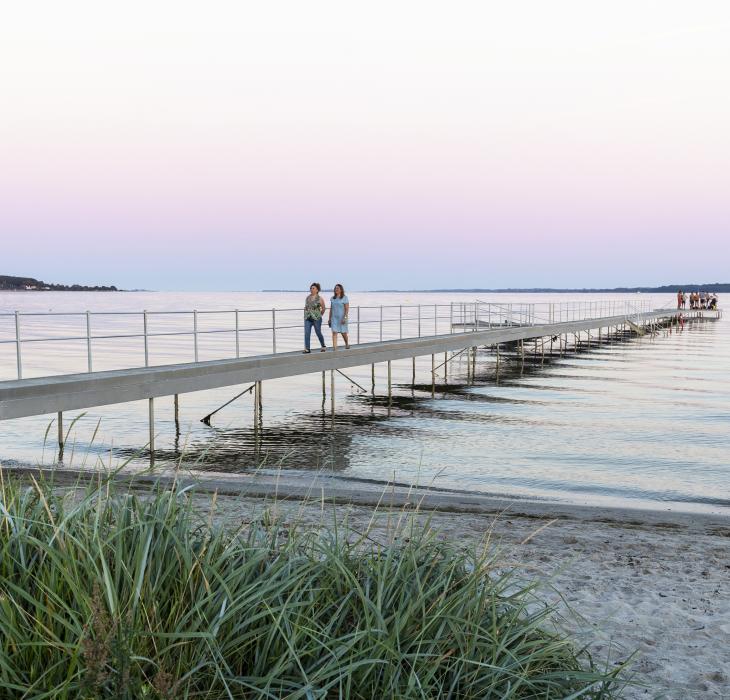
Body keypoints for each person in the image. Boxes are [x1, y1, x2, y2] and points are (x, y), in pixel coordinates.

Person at [303, 282, 326, 353]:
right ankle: (307, 349)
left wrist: (319, 315)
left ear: (317, 290)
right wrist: (305, 314)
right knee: (307, 333)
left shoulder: (320, 298)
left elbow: (324, 308)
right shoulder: (307, 298)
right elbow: (306, 307)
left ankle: (323, 346)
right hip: (308, 318)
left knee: (318, 332)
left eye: (313, 288)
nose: (311, 289)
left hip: (317, 319)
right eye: (311, 288)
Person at [328, 283, 350, 349]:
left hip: (342, 318)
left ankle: (346, 344)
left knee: (343, 333)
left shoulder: (345, 298)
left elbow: (347, 309)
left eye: (337, 288)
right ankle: (335, 348)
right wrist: (329, 319)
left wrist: (345, 318)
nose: (336, 289)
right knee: (334, 332)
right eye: (335, 288)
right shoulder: (332, 298)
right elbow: (331, 309)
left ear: (341, 290)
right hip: (334, 318)